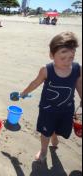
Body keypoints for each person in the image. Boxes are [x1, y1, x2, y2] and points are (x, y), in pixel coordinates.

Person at [20, 32, 82, 162]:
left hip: (67, 109)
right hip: (48, 109)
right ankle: (43, 150)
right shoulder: (47, 70)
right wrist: (24, 92)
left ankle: (55, 134)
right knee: (45, 132)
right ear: (52, 55)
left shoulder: (77, 69)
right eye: (63, 57)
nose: (67, 62)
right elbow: (35, 82)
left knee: (61, 129)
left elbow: (79, 85)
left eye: (71, 57)